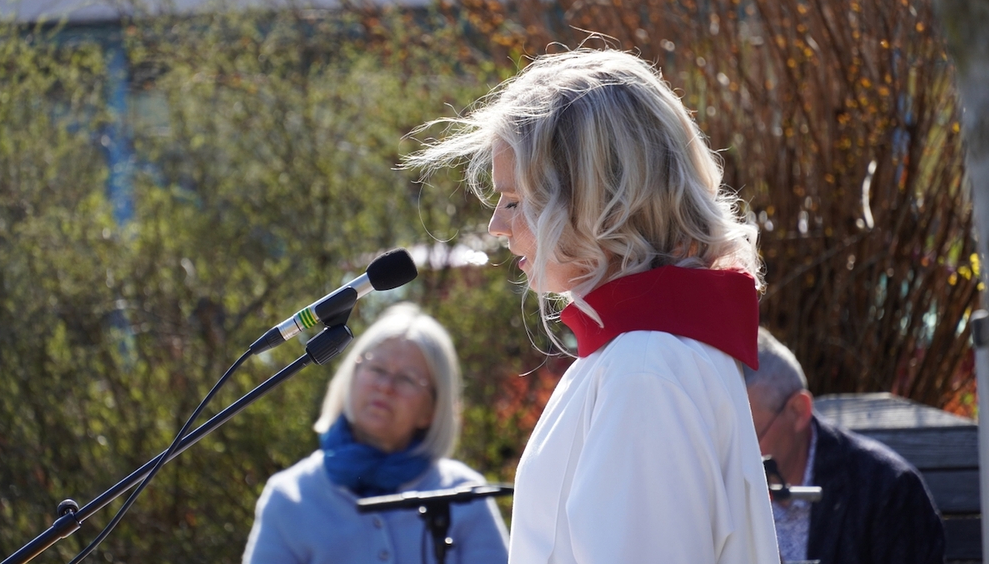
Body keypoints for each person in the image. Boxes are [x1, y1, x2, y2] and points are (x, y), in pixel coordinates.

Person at [407, 48, 780, 563]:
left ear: (596, 201)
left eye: (514, 201)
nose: (496, 226)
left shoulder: (645, 367)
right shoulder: (646, 352)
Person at [242, 302, 510, 564]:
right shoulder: (291, 496)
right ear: (351, 376)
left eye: (407, 379)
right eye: (377, 369)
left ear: (432, 409)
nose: (385, 386)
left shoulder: (465, 495)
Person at [744, 327, 946, 564]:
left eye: (750, 438)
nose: (739, 456)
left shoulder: (886, 490)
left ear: (798, 411)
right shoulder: (723, 486)